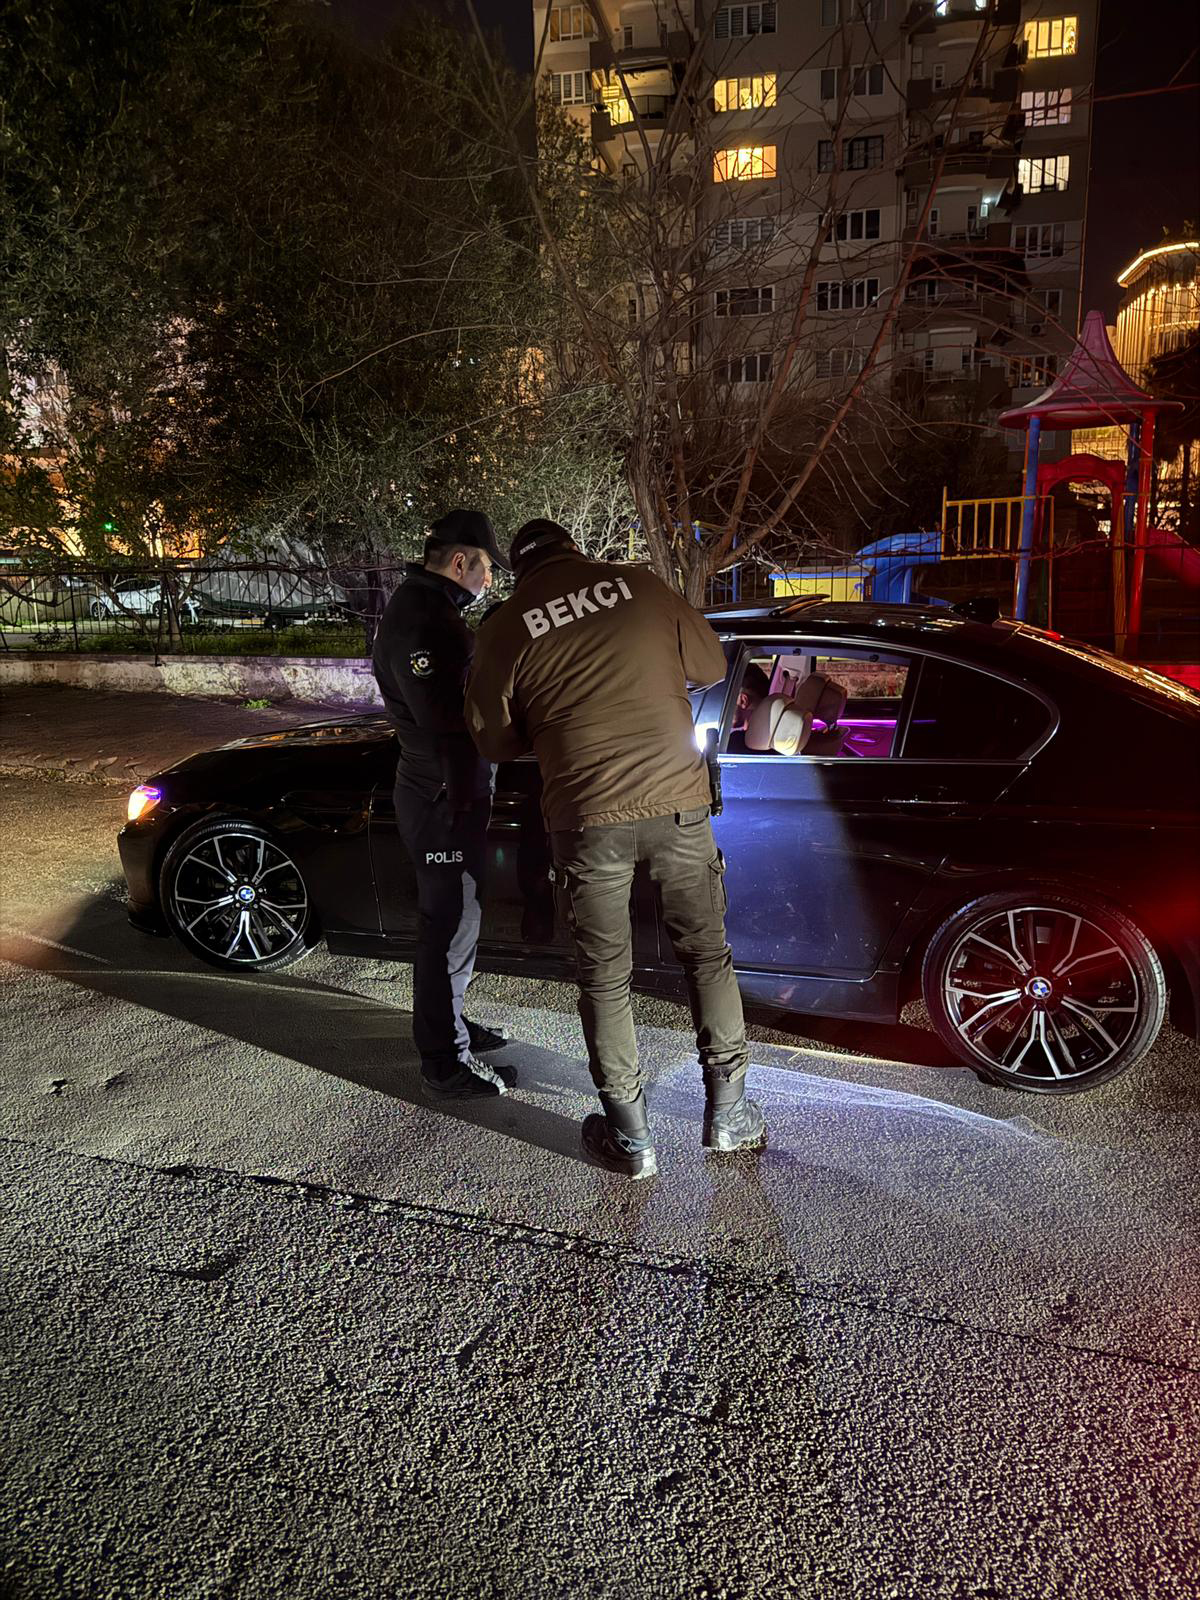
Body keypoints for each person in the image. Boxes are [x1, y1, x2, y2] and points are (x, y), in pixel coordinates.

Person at [464, 518, 764, 1179]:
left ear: (519, 570)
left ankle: (632, 1139)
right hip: (678, 806)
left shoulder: (506, 626)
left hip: (586, 818)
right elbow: (712, 667)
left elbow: (493, 740)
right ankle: (730, 1115)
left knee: (605, 978)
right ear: (575, 550)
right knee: (706, 958)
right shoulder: (640, 586)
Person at [372, 509, 516, 1099]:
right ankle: (443, 1061)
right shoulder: (430, 622)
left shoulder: (425, 606)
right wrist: (462, 805)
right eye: (487, 568)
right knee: (449, 924)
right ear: (461, 562)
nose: (490, 580)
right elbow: (449, 728)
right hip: (441, 797)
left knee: (458, 921)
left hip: (442, 792)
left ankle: (450, 1022)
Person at [726, 663, 771, 754]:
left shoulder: (735, 745)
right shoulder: (782, 741)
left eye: (727, 700)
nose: (725, 709)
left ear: (743, 700)